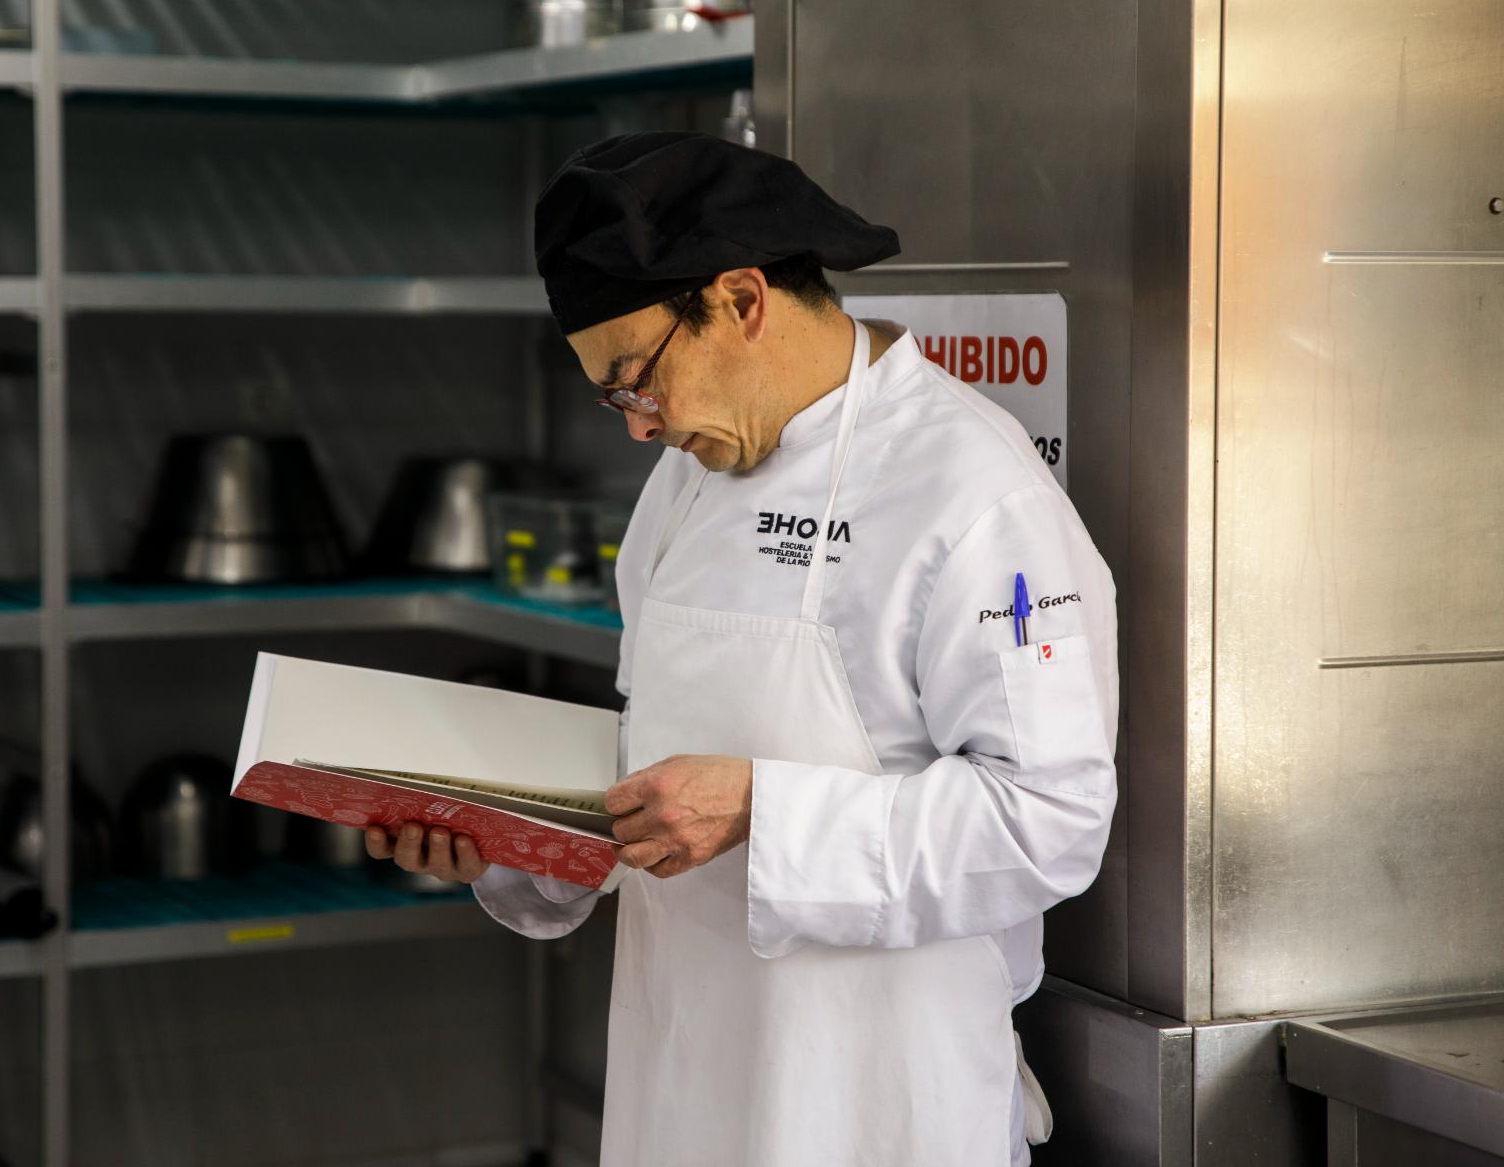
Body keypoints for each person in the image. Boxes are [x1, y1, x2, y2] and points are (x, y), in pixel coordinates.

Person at [365, 132, 1118, 1166]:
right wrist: (513, 843)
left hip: (881, 1099)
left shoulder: (975, 491)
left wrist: (766, 809)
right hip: (685, 1071)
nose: (637, 428)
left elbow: (1051, 822)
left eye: (636, 379)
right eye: (613, 397)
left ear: (742, 300)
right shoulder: (685, 483)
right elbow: (654, 765)